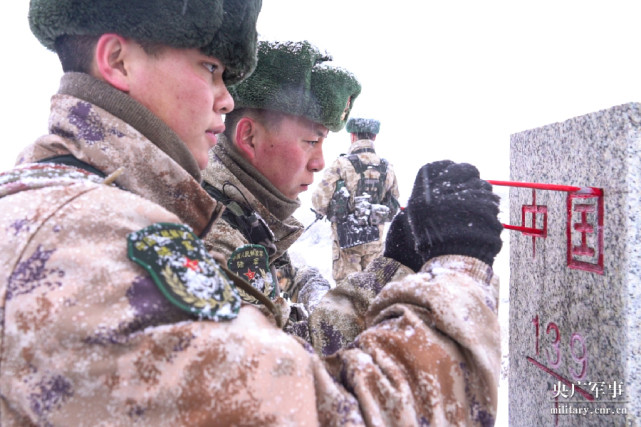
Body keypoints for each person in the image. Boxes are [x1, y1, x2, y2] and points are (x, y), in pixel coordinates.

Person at [0, 1, 504, 425]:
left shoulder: (98, 207)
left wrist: (394, 264)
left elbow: (282, 349)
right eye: (211, 68)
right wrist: (457, 271)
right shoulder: (87, 242)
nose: (226, 99)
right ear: (119, 61)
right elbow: (327, 411)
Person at [201, 40, 361, 329]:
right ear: (249, 137)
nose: (319, 162)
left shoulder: (246, 213)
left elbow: (286, 275)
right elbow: (299, 356)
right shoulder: (220, 239)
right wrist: (395, 268)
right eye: (311, 141)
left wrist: (314, 287)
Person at [312, 117, 400, 282]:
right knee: (372, 289)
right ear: (374, 137)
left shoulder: (341, 164)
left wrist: (328, 211)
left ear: (352, 136)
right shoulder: (387, 167)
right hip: (375, 240)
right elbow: (394, 201)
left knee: (346, 294)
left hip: (347, 242)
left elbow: (319, 200)